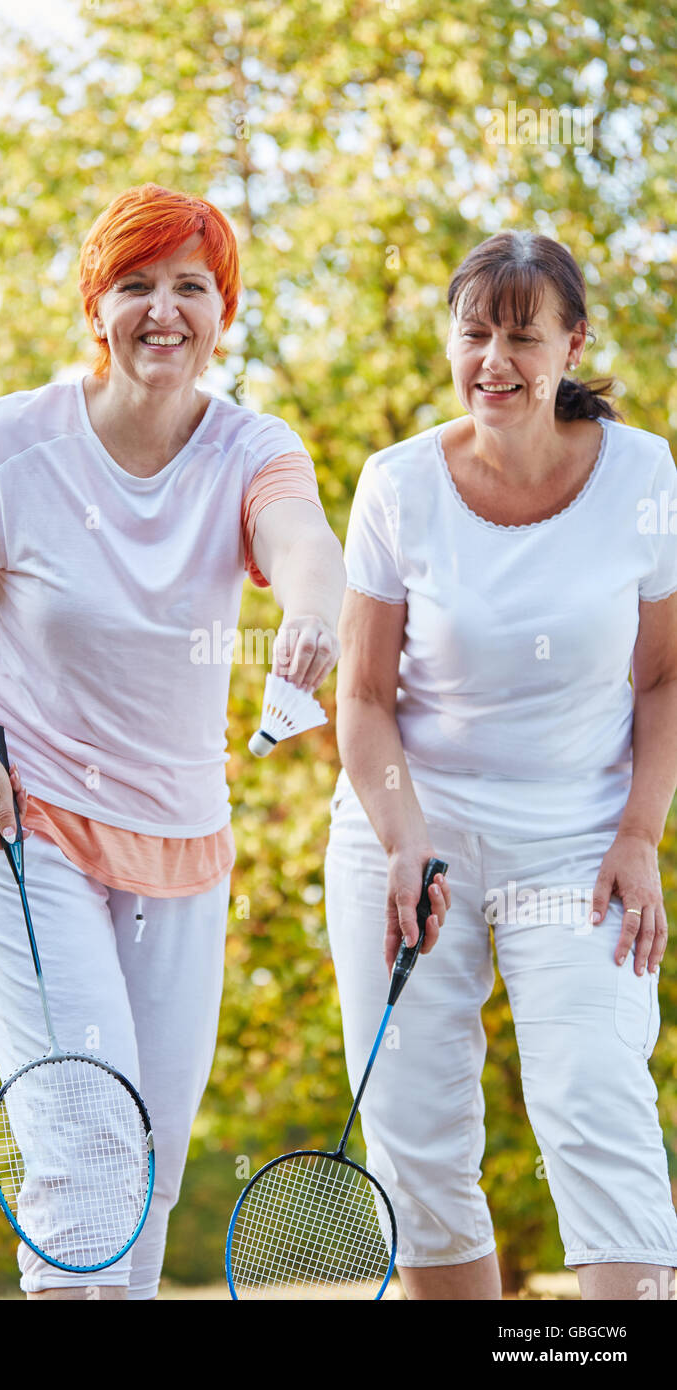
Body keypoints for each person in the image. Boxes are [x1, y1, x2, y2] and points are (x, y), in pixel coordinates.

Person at [0, 183, 344, 1300]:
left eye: (191, 286)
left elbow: (305, 543)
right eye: (137, 285)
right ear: (98, 304)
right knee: (88, 1145)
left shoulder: (248, 447)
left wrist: (312, 613)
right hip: (21, 823)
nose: (164, 310)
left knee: (152, 1170)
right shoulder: (13, 445)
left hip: (179, 839)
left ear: (221, 310)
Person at [324, 229, 677, 1300]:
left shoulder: (642, 476)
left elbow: (661, 679)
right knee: (416, 1137)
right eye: (471, 332)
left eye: (520, 336)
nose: (491, 359)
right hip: (405, 834)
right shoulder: (395, 487)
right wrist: (403, 841)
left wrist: (636, 838)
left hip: (576, 839)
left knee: (590, 1097)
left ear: (570, 345)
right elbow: (362, 696)